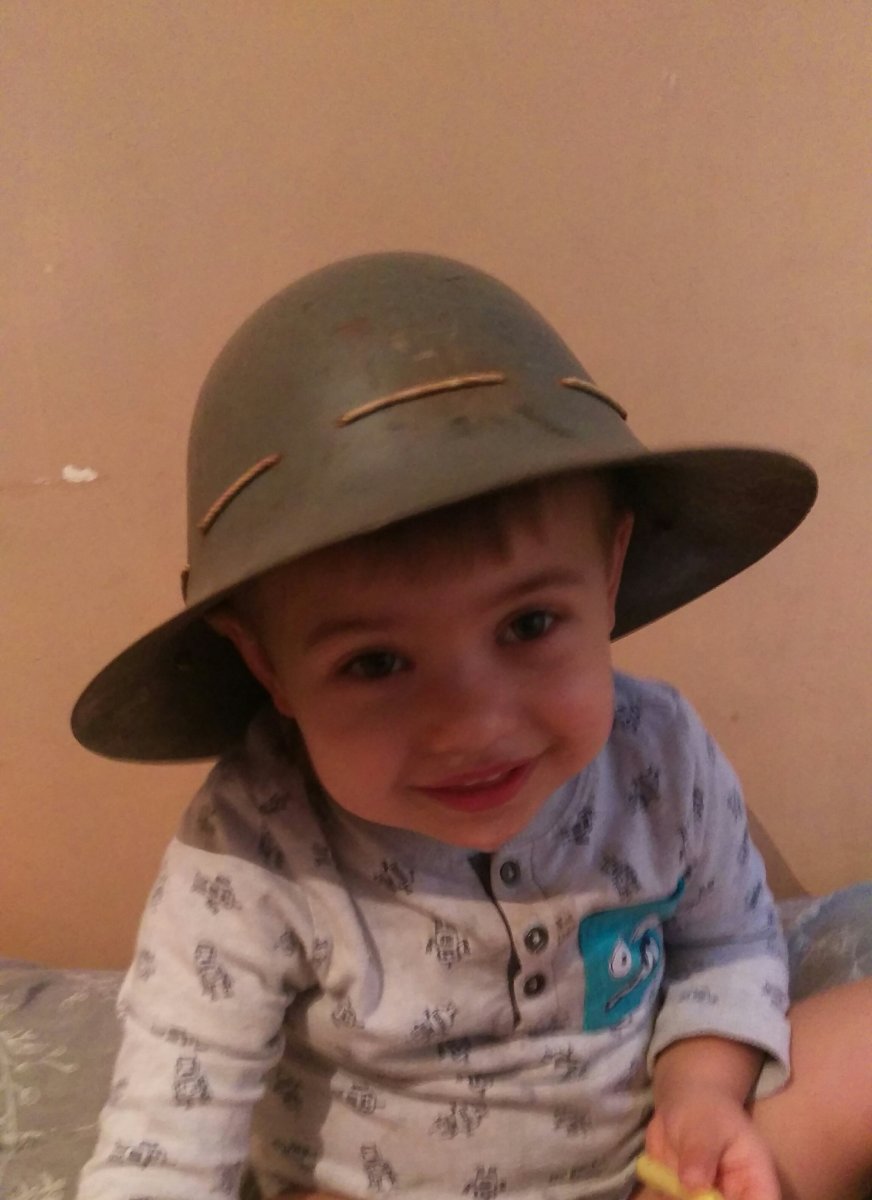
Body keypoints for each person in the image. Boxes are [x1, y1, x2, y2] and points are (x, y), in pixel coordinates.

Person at [73, 253, 871, 1200]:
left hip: (653, 1172)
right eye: (376, 663)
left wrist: (701, 1095)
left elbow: (729, 946)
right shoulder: (254, 840)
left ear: (608, 574)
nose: (473, 725)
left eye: (528, 624)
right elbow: (166, 1134)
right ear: (267, 666)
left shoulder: (659, 755)